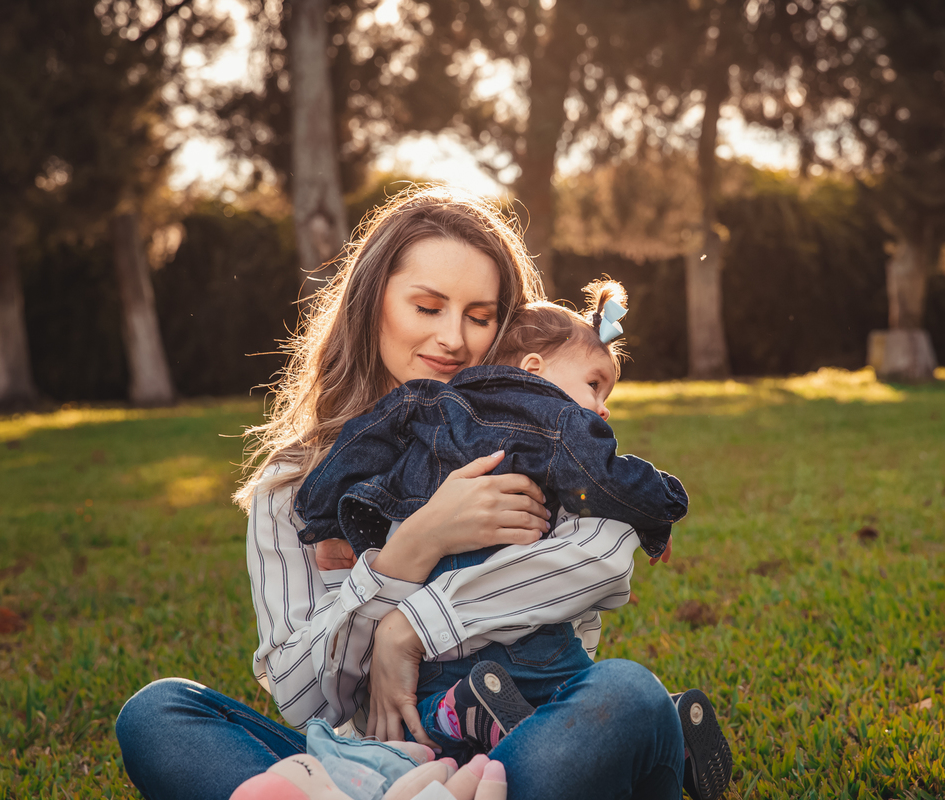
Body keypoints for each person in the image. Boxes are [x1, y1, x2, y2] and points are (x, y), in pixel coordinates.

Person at [114, 187, 692, 800]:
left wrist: (412, 627)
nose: (454, 339)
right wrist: (410, 549)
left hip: (520, 739)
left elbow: (602, 563)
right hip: (362, 767)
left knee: (625, 695)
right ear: (373, 307)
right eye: (427, 307)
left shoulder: (540, 440)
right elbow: (299, 692)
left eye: (479, 316)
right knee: (160, 715)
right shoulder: (295, 485)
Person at [290, 280, 727, 790]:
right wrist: (661, 511)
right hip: (529, 646)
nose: (602, 408)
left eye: (477, 317)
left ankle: (460, 721)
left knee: (438, 710)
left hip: (433, 651)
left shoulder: (427, 401)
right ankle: (661, 729)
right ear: (535, 370)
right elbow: (611, 478)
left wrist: (326, 521)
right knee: (580, 687)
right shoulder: (560, 422)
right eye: (594, 385)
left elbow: (358, 447)